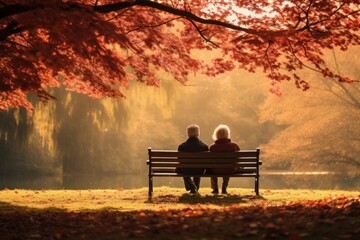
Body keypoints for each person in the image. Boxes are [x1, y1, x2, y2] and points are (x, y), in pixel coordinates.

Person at [176, 124, 209, 194]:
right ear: (198, 133)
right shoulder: (204, 147)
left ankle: (192, 187)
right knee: (199, 167)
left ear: (188, 134)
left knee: (182, 168)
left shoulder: (181, 147)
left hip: (186, 170)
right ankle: (194, 188)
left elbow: (180, 161)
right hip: (199, 170)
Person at [209, 124, 240, 194]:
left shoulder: (212, 147)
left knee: (211, 166)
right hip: (230, 170)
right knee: (229, 166)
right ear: (227, 134)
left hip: (215, 170)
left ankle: (215, 188)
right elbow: (238, 157)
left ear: (216, 134)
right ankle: (224, 187)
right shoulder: (234, 146)